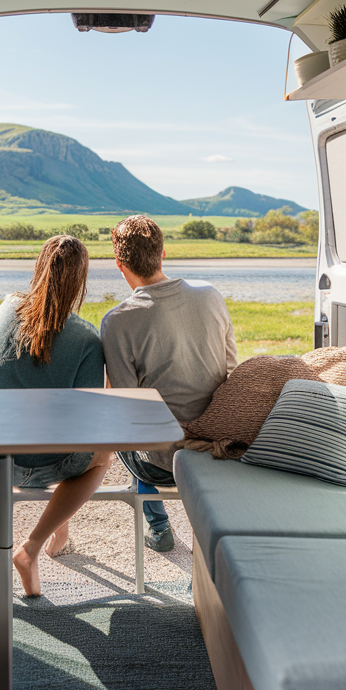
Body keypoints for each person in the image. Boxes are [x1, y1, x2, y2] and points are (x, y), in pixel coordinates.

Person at [0, 234, 110, 597]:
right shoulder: (86, 339)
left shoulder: (6, 309)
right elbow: (86, 420)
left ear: (39, 268)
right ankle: (34, 546)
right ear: (80, 281)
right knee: (101, 458)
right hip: (52, 463)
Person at [100, 215, 236, 552]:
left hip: (163, 462)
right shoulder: (210, 295)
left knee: (134, 436)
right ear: (162, 254)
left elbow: (129, 408)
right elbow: (232, 368)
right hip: (221, 441)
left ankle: (159, 527)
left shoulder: (117, 322)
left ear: (119, 264)